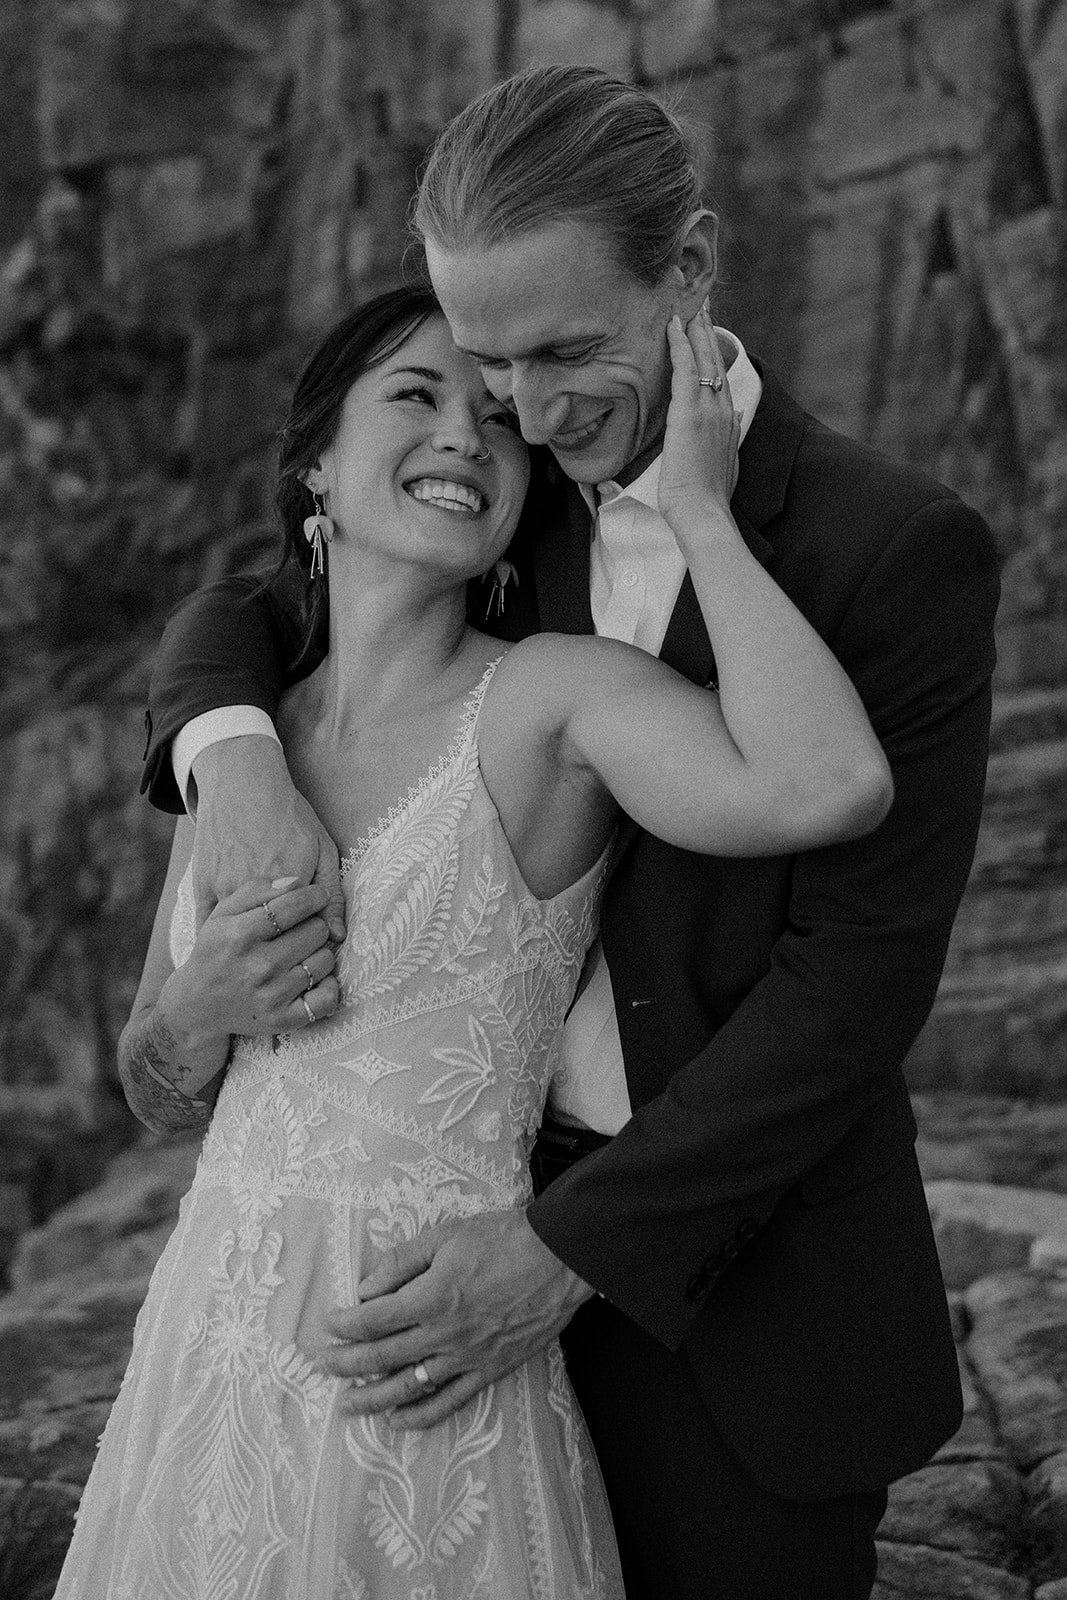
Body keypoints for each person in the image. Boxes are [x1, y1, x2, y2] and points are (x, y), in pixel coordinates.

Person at [138, 66, 1000, 1600]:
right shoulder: (493, 489)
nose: (528, 413)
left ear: (692, 266)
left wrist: (567, 1251)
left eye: (566, 352)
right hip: (411, 1279)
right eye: (484, 364)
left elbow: (854, 985)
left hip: (738, 1303)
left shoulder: (896, 549)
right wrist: (231, 754)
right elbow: (253, 606)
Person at [59, 285, 890, 1599]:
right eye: (416, 396)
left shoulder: (553, 700)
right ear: (319, 460)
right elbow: (157, 1088)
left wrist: (701, 516)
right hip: (204, 1376)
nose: (468, 434)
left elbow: (825, 786)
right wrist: (199, 1006)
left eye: (500, 420)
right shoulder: (241, 741)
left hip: (426, 1380)